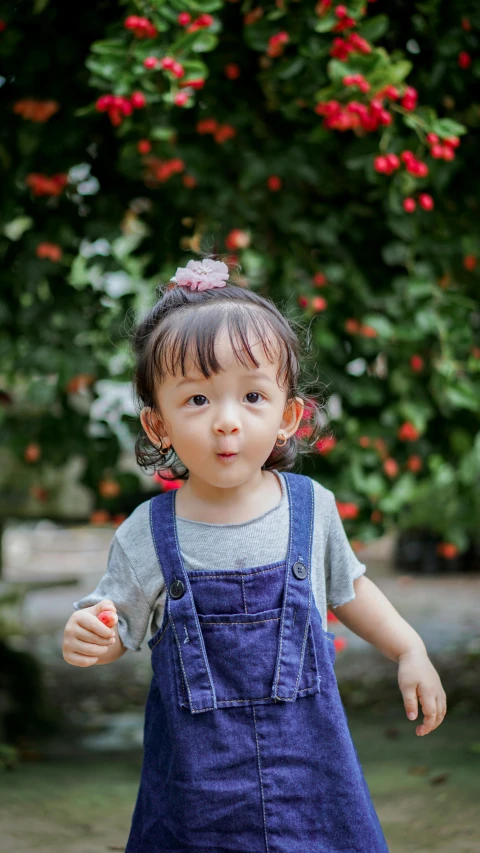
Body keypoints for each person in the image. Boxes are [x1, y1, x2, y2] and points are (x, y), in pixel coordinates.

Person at [62, 255, 447, 852]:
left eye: (252, 396)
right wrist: (94, 634)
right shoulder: (147, 532)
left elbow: (350, 589)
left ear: (289, 416)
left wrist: (409, 648)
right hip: (196, 797)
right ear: (157, 424)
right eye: (196, 401)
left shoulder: (311, 509)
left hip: (310, 785)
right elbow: (118, 622)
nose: (226, 422)